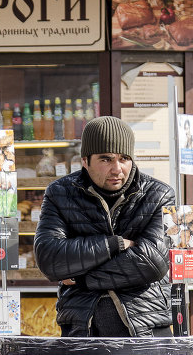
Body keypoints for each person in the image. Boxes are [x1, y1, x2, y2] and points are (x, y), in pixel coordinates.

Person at [34, 115, 175, 337]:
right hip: (82, 328)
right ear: (85, 160)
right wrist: (115, 244)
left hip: (145, 328)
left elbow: (152, 263)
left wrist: (82, 277)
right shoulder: (59, 193)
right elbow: (49, 259)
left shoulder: (160, 195)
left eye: (124, 158)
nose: (117, 169)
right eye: (106, 159)